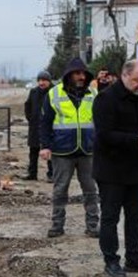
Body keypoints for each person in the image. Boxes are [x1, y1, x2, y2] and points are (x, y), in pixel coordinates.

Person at [92, 59, 138, 277]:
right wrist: (137, 141)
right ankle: (111, 260)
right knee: (111, 217)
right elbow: (105, 135)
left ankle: (134, 257)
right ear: (125, 76)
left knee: (136, 215)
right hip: (110, 169)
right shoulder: (106, 99)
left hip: (135, 168)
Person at [39, 57, 100, 239]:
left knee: (90, 190)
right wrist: (45, 146)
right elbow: (45, 122)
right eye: (77, 73)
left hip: (88, 150)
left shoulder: (93, 94)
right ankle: (57, 225)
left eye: (84, 73)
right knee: (60, 190)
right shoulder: (54, 93)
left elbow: (100, 121)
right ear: (69, 75)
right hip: (61, 151)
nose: (82, 77)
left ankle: (92, 226)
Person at [23, 70, 53, 181]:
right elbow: (27, 105)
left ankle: (52, 174)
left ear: (49, 81)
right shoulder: (34, 92)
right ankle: (32, 174)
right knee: (33, 151)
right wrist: (31, 118)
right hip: (35, 126)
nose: (41, 83)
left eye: (44, 80)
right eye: (40, 80)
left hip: (50, 127)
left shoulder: (54, 92)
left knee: (50, 151)